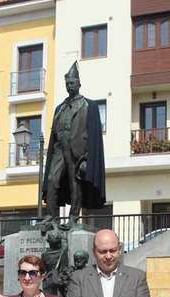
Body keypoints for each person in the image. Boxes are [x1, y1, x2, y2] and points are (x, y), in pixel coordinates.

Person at [41, 61, 106, 225]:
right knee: (52, 180)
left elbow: (94, 135)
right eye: (67, 84)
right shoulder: (60, 108)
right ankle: (51, 216)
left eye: (72, 83)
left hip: (77, 151)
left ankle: (73, 217)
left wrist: (88, 158)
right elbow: (54, 131)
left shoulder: (89, 105)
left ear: (78, 84)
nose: (69, 86)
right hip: (59, 149)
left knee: (74, 183)